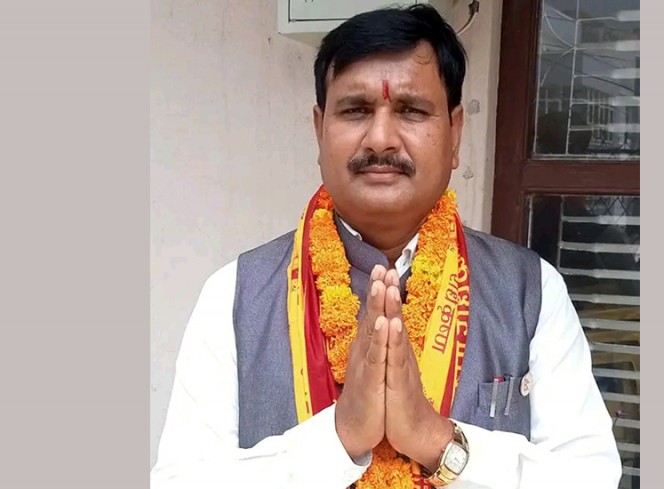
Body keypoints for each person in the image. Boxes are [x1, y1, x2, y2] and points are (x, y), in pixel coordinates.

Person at [151, 5, 622, 489]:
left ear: (455, 134)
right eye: (355, 110)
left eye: (411, 110)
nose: (380, 139)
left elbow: (591, 478)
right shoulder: (235, 296)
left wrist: (434, 438)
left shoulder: (528, 292)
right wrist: (338, 438)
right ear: (319, 130)